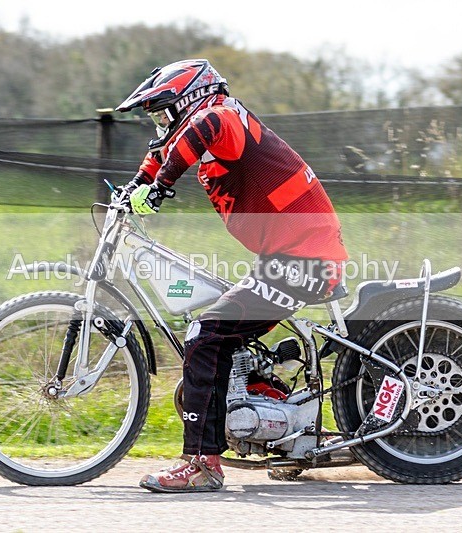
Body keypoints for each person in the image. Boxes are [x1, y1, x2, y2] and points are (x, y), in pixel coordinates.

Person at [115, 59, 348, 493]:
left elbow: (200, 128)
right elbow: (164, 150)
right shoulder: (210, 135)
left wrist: (162, 186)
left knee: (205, 333)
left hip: (306, 258)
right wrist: (134, 189)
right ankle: (274, 413)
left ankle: (203, 465)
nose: (163, 124)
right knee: (218, 328)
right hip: (287, 255)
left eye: (166, 112)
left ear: (189, 101)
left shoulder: (224, 118)